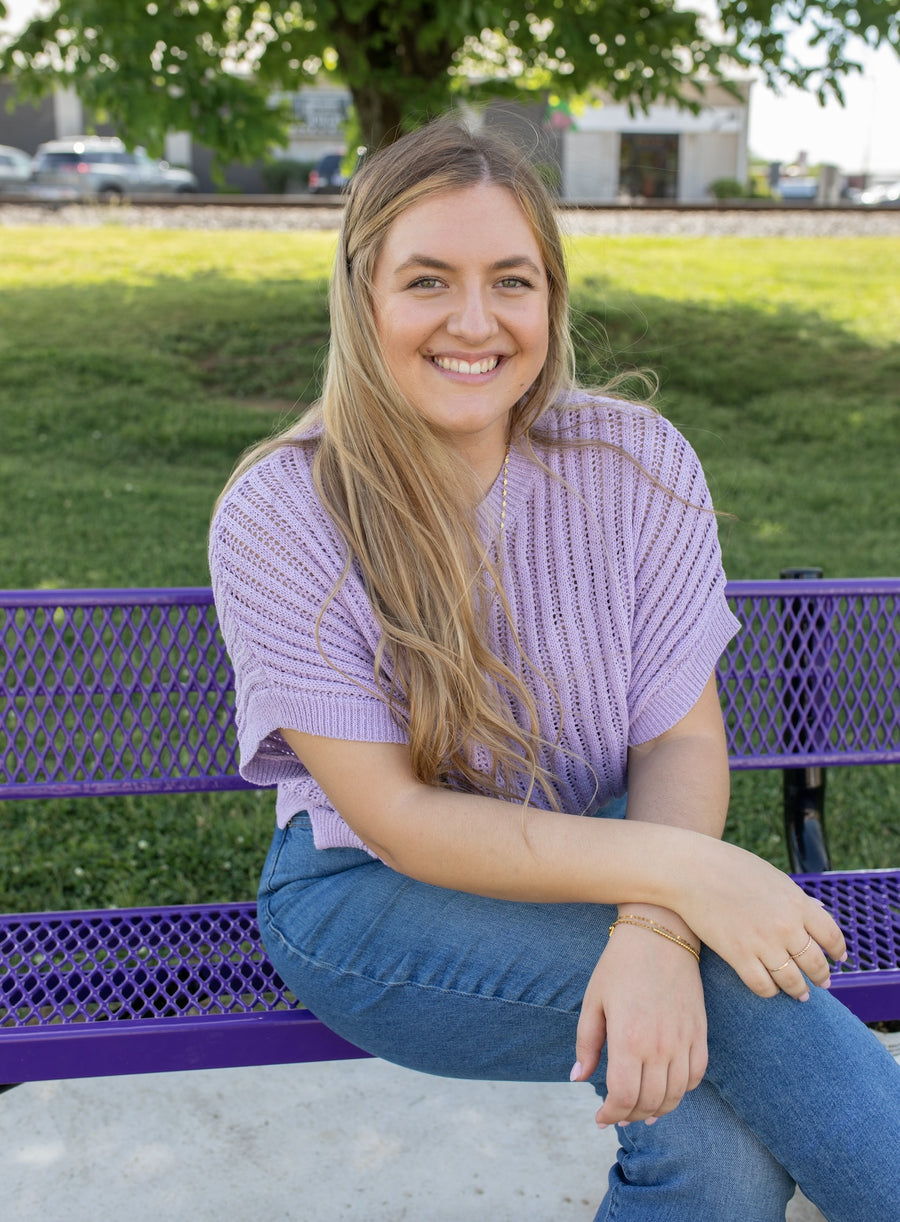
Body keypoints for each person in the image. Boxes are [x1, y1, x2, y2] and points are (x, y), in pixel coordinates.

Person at [209, 118, 900, 1221]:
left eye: (511, 281)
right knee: (749, 991)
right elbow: (394, 817)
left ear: (551, 299)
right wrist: (688, 884)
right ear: (363, 297)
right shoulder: (283, 512)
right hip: (370, 899)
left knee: (721, 1150)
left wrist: (659, 923)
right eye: (428, 279)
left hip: (613, 858)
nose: (474, 321)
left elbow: (677, 738)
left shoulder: (635, 464)